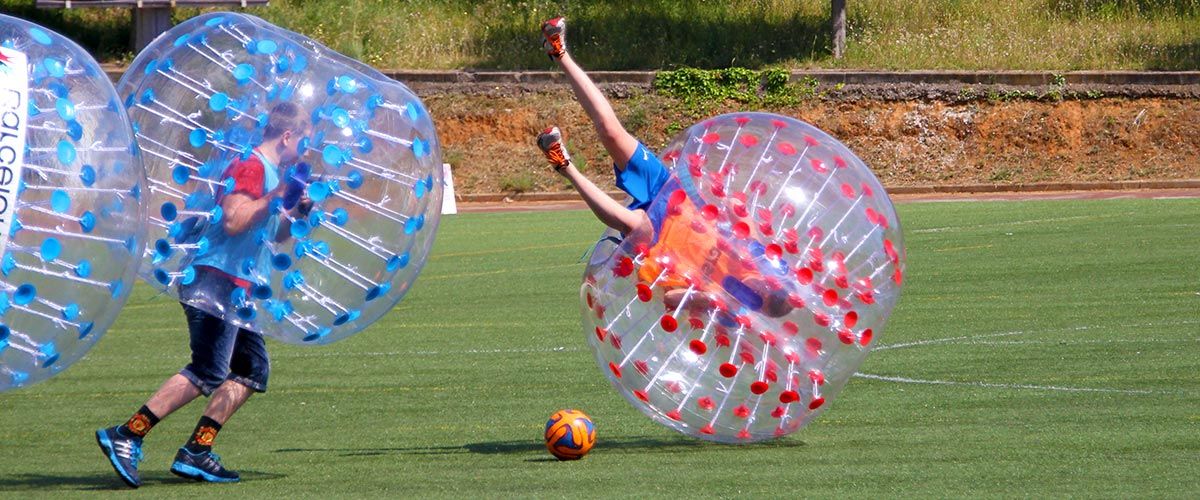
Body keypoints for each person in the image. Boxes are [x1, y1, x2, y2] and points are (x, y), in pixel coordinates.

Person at [96, 102, 311, 488]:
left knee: (251, 370)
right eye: (306, 138)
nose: (308, 148)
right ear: (288, 136)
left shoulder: (274, 174)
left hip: (238, 287)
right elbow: (233, 221)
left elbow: (272, 233)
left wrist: (295, 212)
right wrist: (275, 195)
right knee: (209, 370)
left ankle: (197, 450)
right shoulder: (251, 166)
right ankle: (127, 434)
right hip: (215, 280)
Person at [536, 17, 792, 319]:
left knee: (634, 225)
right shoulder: (758, 258)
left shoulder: (730, 312)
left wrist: (709, 298)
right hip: (674, 199)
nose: (758, 289)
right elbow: (736, 208)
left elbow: (670, 298)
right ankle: (559, 52)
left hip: (658, 246)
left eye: (761, 298)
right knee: (611, 132)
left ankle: (563, 164)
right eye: (766, 287)